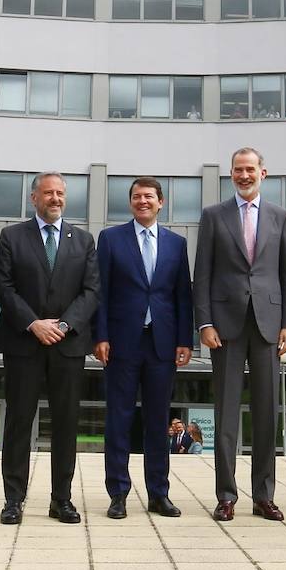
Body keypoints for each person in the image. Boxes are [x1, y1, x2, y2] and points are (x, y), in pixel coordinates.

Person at [194, 147, 286, 522]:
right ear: (231, 174)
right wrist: (204, 323)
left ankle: (263, 495)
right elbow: (202, 272)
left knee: (267, 414)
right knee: (226, 415)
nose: (244, 175)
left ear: (263, 173)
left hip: (269, 327)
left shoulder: (281, 217)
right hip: (226, 327)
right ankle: (226, 495)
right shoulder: (213, 216)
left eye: (250, 169)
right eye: (238, 170)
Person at [0, 172, 99, 525]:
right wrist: (34, 324)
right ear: (33, 198)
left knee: (66, 424)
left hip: (67, 345)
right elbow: (3, 287)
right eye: (48, 193)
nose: (55, 198)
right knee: (20, 422)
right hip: (23, 342)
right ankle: (13, 500)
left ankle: (61, 500)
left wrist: (64, 325)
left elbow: (91, 291)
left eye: (60, 193)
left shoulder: (83, 241)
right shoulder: (11, 236)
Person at [95, 177, 193, 519]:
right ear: (131, 202)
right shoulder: (110, 239)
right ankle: (118, 493)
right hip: (122, 343)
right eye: (137, 196)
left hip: (162, 344)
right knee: (118, 419)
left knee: (157, 420)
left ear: (160, 202)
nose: (143, 201)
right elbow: (101, 292)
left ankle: (158, 493)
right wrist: (100, 336)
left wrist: (185, 340)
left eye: (149, 196)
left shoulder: (176, 244)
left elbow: (183, 294)